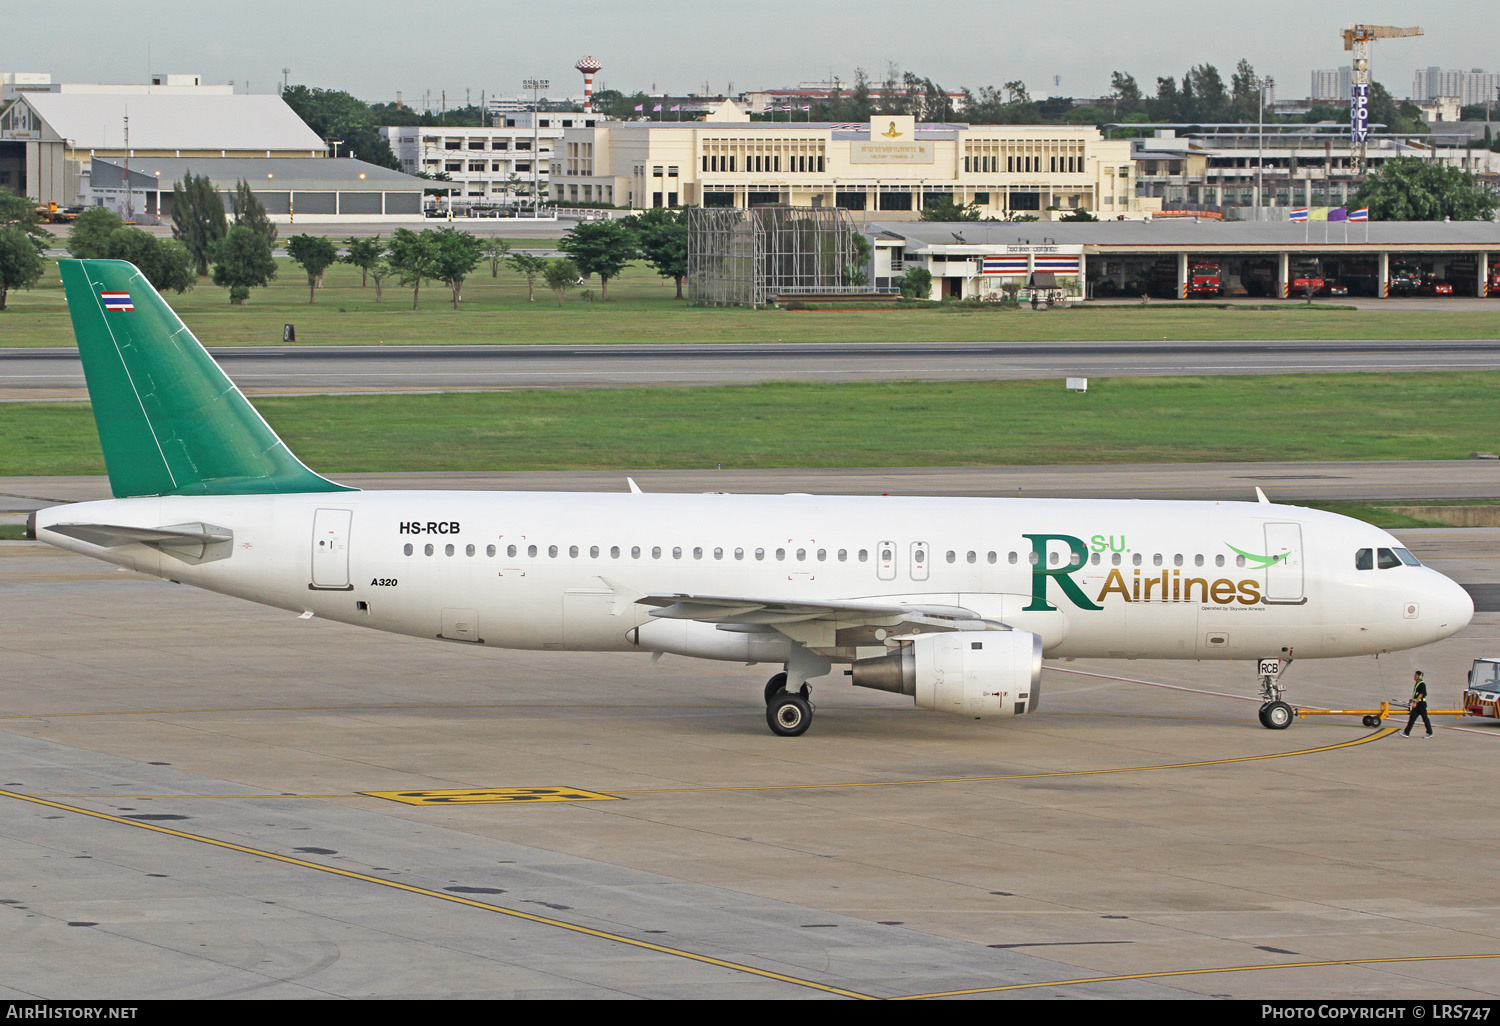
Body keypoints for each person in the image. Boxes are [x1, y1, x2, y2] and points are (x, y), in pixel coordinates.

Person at [1402, 669, 1432, 738]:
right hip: (1417, 704)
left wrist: (1415, 703)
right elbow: (1417, 694)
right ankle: (1406, 732)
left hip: (1421, 705)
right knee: (1412, 719)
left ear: (1419, 676)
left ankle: (1429, 732)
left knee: (1425, 719)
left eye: (1415, 675)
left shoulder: (1422, 684)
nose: (1414, 676)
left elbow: (1421, 694)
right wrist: (1412, 700)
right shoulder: (1417, 684)